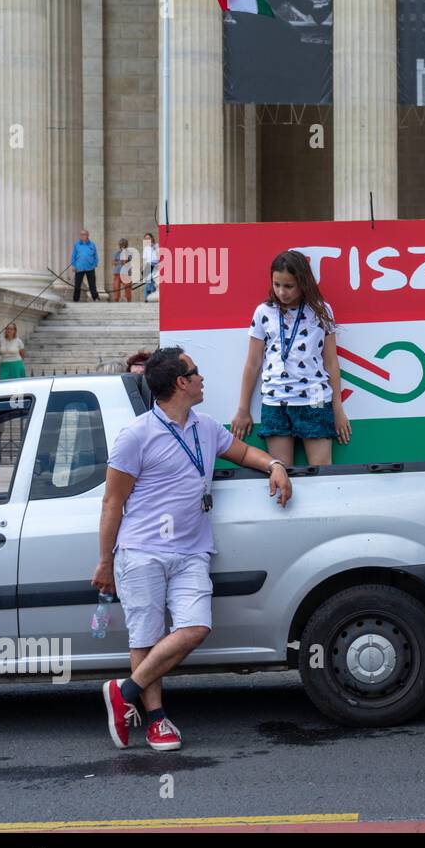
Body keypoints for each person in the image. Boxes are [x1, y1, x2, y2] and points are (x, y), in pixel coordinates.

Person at [91, 347, 293, 751]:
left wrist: (274, 465)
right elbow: (113, 502)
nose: (203, 379)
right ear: (181, 383)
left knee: (195, 628)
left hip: (193, 551)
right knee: (145, 638)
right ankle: (156, 721)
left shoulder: (205, 427)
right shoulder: (136, 434)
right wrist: (106, 560)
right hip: (142, 550)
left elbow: (242, 452)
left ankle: (124, 692)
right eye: (196, 373)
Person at [231, 250, 351, 467]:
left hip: (315, 397)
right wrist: (243, 409)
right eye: (277, 284)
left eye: (288, 286)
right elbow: (253, 363)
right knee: (281, 472)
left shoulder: (322, 310)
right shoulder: (263, 312)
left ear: (303, 282)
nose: (281, 292)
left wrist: (337, 408)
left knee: (322, 473)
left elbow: (331, 362)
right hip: (275, 400)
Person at [71, 229, 100, 302]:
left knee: (92, 284)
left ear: (87, 235)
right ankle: (76, 299)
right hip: (79, 267)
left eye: (84, 234)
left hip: (90, 267)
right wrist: (73, 265)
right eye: (81, 234)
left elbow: (95, 255)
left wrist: (95, 264)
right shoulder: (76, 244)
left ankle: (95, 298)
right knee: (77, 284)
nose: (82, 236)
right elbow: (73, 255)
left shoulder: (92, 244)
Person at [111, 239, 133, 303]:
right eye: (121, 245)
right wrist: (120, 262)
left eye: (124, 245)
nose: (122, 246)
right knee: (116, 287)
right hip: (117, 273)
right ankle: (116, 301)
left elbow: (128, 262)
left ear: (126, 245)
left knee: (127, 288)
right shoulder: (117, 253)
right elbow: (113, 262)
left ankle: (129, 301)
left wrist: (120, 262)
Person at [143, 233, 159, 301]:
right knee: (148, 283)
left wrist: (154, 248)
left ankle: (152, 298)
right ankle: (146, 298)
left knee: (154, 283)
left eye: (149, 238)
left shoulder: (157, 245)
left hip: (156, 265)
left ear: (152, 238)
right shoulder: (146, 248)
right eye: (146, 239)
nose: (147, 240)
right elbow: (145, 259)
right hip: (148, 266)